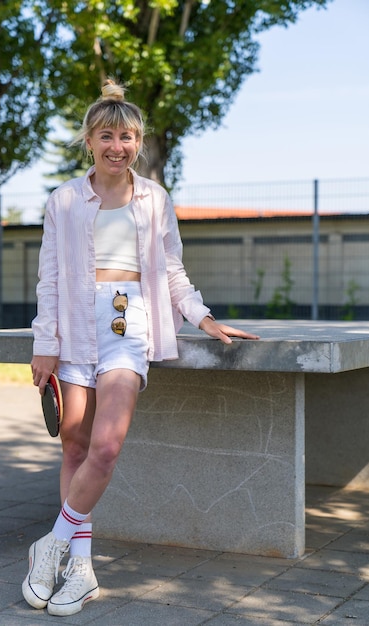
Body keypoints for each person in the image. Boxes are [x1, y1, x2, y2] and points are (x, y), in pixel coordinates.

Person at [22, 78, 260, 617]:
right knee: (75, 448)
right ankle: (79, 571)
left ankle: (51, 545)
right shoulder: (62, 200)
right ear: (89, 141)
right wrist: (45, 343)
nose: (117, 146)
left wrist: (202, 317)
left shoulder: (154, 199)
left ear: (138, 142)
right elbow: (49, 280)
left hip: (128, 326)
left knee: (106, 447)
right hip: (75, 327)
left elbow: (172, 269)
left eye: (127, 137)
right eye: (106, 135)